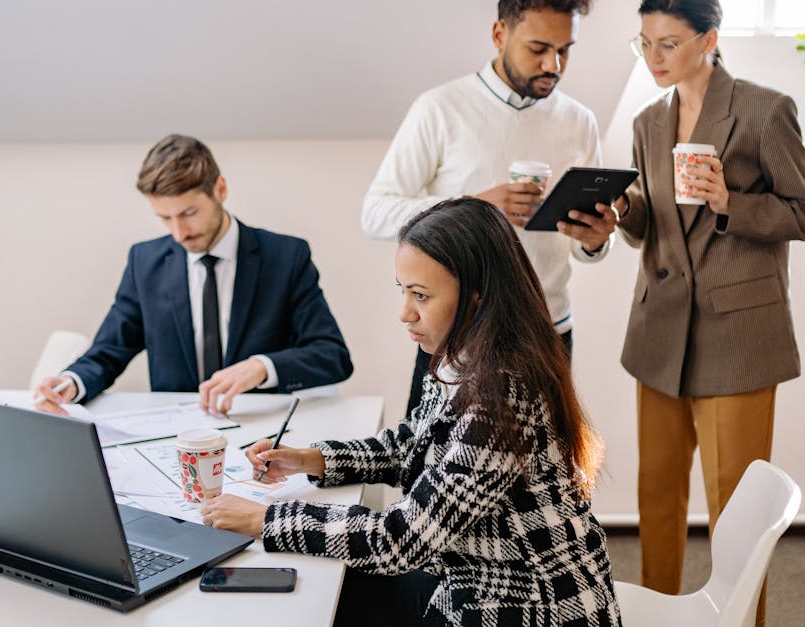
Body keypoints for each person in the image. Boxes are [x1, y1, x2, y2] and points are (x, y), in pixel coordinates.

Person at [203, 198, 621, 626]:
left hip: (531, 606)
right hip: (471, 577)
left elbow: (397, 541)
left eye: (420, 295)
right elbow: (413, 442)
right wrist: (313, 459)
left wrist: (266, 519)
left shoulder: (501, 395)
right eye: (403, 290)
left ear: (477, 298)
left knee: (321, 595)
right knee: (326, 587)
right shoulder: (459, 356)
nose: (404, 312)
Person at [613, 1, 805, 624]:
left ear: (709, 39)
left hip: (739, 339)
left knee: (737, 514)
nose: (653, 58)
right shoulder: (648, 121)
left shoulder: (765, 109)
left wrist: (732, 201)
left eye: (669, 44)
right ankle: (657, 615)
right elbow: (651, 222)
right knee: (656, 496)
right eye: (644, 44)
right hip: (658, 334)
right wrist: (621, 213)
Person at [362, 0, 621, 416]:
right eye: (538, 49)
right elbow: (375, 212)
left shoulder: (580, 121)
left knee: (544, 477)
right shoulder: (440, 108)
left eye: (565, 50)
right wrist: (471, 205)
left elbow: (580, 247)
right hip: (456, 335)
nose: (553, 64)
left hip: (548, 333)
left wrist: (594, 242)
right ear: (500, 34)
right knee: (430, 470)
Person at [34, 134, 353, 415]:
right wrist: (71, 383)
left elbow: (332, 355)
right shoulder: (144, 261)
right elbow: (109, 351)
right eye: (165, 218)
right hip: (175, 436)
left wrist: (262, 367)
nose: (179, 233)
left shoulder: (286, 257)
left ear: (221, 189)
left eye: (189, 213)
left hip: (259, 434)